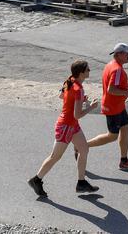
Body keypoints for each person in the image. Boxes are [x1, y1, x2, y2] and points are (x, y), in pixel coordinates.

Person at [27, 60, 100, 198]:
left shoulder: (70, 80)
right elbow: (77, 114)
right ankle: (36, 179)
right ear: (81, 73)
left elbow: (62, 96)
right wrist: (91, 107)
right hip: (66, 126)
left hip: (72, 125)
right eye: (87, 69)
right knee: (55, 156)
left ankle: (81, 182)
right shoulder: (78, 88)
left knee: (84, 149)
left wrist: (78, 100)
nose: (90, 70)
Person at [86, 43, 128, 171]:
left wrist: (125, 85)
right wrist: (126, 92)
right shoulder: (117, 69)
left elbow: (113, 83)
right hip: (113, 108)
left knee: (126, 129)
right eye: (127, 53)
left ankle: (124, 161)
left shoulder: (111, 65)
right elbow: (111, 89)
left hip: (118, 106)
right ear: (119, 54)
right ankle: (83, 146)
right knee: (112, 136)